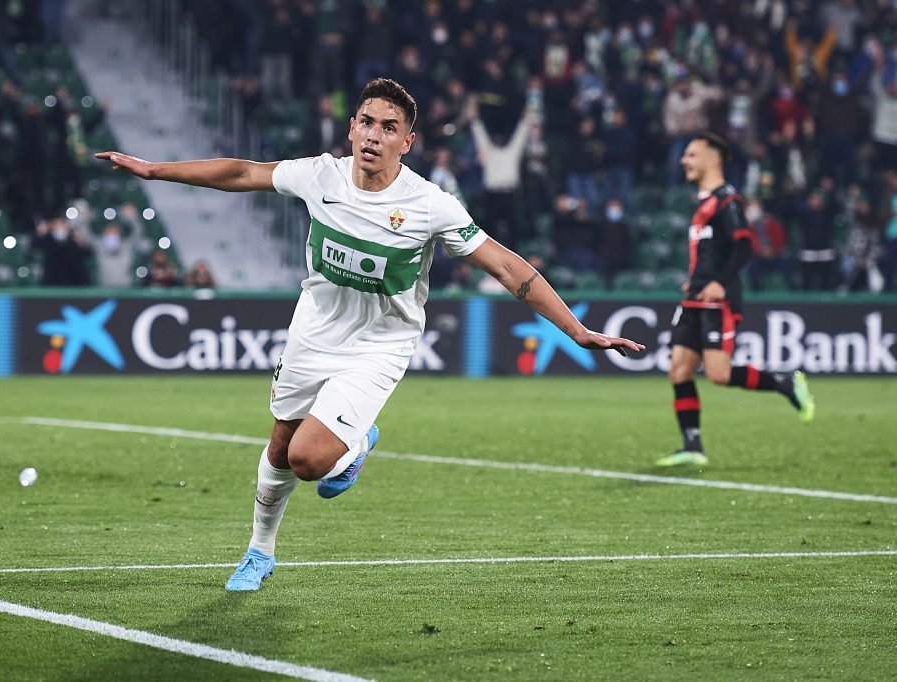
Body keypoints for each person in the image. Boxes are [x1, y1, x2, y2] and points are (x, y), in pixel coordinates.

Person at [96, 78, 645, 592]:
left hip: (379, 345)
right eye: (366, 122)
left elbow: (506, 267)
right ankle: (259, 551)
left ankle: (356, 442)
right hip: (314, 331)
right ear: (351, 128)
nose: (374, 136)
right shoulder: (320, 176)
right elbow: (242, 173)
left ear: (407, 141)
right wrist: (155, 171)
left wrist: (576, 330)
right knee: (281, 445)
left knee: (309, 460)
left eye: (388, 128)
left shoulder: (429, 204)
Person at [659, 132, 815, 468]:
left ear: (713, 159)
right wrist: (696, 280)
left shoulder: (727, 201)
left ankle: (784, 381)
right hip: (695, 298)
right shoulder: (703, 202)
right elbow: (712, 253)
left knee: (718, 374)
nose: (684, 160)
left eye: (691, 154)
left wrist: (719, 282)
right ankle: (692, 446)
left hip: (719, 301)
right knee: (679, 370)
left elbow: (744, 247)